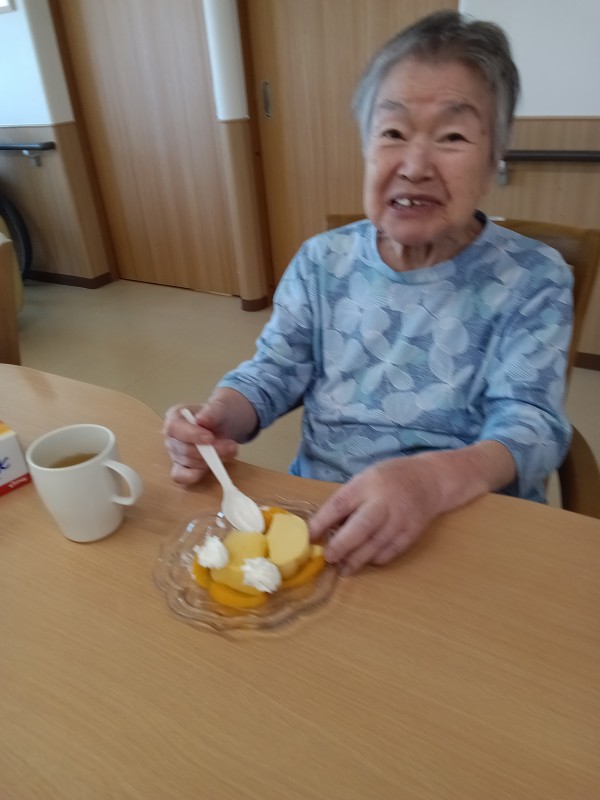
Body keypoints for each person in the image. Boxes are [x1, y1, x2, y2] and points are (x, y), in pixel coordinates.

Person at [164, 11, 572, 575]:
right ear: (366, 147)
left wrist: (430, 481)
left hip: (463, 524)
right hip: (326, 519)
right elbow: (274, 370)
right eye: (393, 133)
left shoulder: (533, 276)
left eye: (453, 137)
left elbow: (531, 427)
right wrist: (215, 420)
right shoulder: (322, 261)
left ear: (493, 159)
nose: (415, 165)